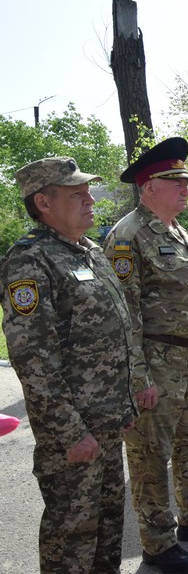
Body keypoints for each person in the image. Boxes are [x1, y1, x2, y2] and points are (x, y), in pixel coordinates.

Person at [104, 138, 188, 574]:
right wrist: (138, 376)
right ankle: (158, 543)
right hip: (156, 363)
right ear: (149, 188)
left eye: (186, 181)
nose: (186, 189)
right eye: (175, 182)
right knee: (150, 457)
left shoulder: (178, 231)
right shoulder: (128, 236)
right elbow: (124, 314)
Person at [1, 157, 133, 573]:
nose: (90, 200)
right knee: (72, 537)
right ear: (43, 202)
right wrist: (71, 432)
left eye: (88, 192)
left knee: (108, 528)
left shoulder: (89, 250)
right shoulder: (30, 259)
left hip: (107, 420)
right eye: (77, 194)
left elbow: (118, 328)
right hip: (74, 430)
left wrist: (125, 401)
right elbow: (33, 358)